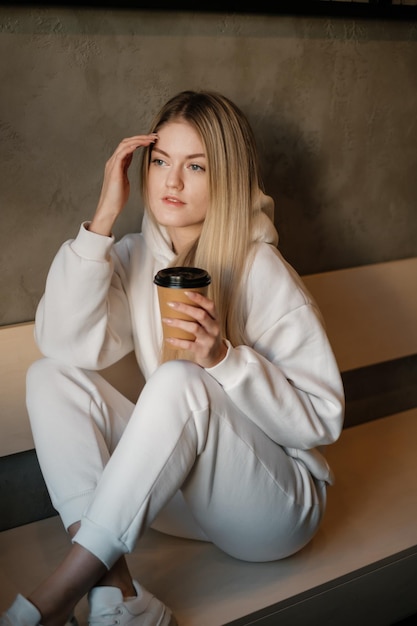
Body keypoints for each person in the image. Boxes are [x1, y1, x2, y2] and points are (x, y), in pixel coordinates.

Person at [1, 90, 344, 626]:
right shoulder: (135, 258)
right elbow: (66, 343)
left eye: (196, 166)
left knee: (179, 379)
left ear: (225, 177)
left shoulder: (260, 268)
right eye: (160, 161)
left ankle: (55, 595)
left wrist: (225, 360)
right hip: (181, 504)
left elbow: (322, 420)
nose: (171, 181)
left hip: (275, 509)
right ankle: (120, 596)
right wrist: (104, 218)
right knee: (51, 377)